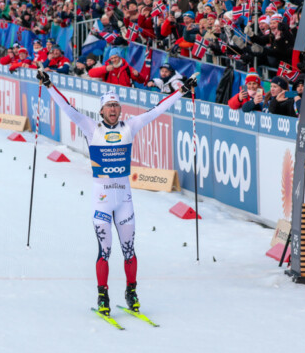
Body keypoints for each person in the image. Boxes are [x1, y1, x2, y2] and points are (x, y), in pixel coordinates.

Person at [37, 68, 197, 316]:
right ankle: (103, 295)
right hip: (102, 200)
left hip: (124, 199)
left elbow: (158, 109)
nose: (113, 110)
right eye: (109, 106)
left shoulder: (130, 126)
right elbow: (68, 109)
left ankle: (131, 291)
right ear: (101, 110)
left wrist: (182, 92)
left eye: (116, 106)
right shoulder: (92, 127)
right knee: (105, 250)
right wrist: (48, 85)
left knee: (129, 250)